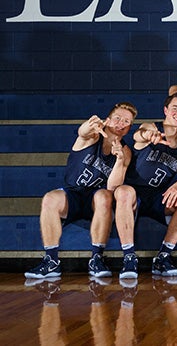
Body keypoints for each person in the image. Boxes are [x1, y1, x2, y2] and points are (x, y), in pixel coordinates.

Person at [24, 102, 137, 279]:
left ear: (129, 128)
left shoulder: (126, 151)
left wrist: (118, 160)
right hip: (74, 194)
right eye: (118, 118)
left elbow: (113, 187)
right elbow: (82, 132)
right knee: (50, 199)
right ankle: (51, 261)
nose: (121, 123)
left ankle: (97, 258)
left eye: (126, 121)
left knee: (104, 196)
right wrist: (88, 125)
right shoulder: (92, 136)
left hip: (98, 200)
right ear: (107, 120)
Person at [113, 93, 177, 279]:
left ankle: (163, 257)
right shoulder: (152, 127)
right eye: (174, 108)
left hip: (159, 196)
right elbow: (138, 134)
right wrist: (148, 135)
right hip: (134, 194)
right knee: (124, 192)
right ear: (165, 110)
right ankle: (129, 258)